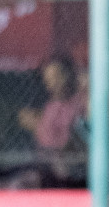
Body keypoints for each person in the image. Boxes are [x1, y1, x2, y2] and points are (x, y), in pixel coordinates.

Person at [16, 55, 86, 186]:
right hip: (46, 170)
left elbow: (68, 141)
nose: (51, 83)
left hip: (71, 175)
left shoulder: (80, 105)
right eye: (47, 78)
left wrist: (37, 126)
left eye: (56, 77)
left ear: (68, 76)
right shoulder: (50, 106)